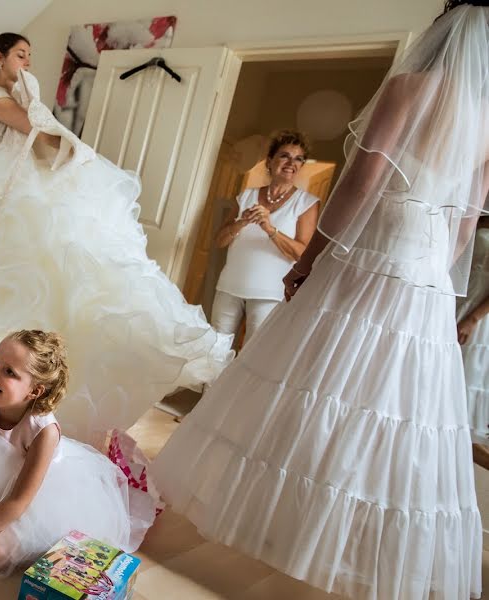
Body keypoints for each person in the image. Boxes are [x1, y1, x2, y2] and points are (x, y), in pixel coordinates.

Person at [151, 3, 488, 599]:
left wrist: (309, 260)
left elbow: (359, 185)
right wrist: (433, 264)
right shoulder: (488, 115)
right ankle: (342, 549)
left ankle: (279, 525)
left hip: (374, 255)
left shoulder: (411, 87)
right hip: (429, 275)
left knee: (315, 379)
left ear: (445, 21)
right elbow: (466, 224)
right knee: (392, 402)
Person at [0, 32, 233, 445]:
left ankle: (22, 396)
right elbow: (32, 127)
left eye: (30, 55)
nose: (27, 62)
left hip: (7, 193)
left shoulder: (19, 96)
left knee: (36, 273)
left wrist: (75, 153)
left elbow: (38, 136)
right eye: (20, 55)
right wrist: (75, 146)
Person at [0, 330, 154, 576]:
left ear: (35, 392)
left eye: (9, 372)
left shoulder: (44, 432)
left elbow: (18, 502)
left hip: (36, 498)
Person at [212, 130, 319, 343]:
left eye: (298, 159)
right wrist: (242, 222)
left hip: (269, 294)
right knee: (214, 351)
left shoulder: (306, 203)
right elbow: (219, 241)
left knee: (251, 356)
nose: (291, 163)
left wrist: (270, 229)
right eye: (285, 156)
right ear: (270, 161)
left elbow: (303, 254)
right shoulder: (247, 195)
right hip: (229, 287)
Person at [457, 215, 489, 468]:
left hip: (476, 315)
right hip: (456, 299)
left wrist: (473, 319)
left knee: (460, 385)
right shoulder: (478, 215)